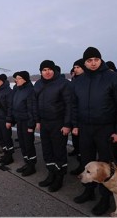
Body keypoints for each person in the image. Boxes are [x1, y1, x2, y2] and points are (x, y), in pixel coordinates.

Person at [71, 47, 117, 216]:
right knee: (87, 160)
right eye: (89, 60)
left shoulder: (113, 78)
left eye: (95, 59)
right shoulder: (79, 81)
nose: (92, 63)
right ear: (84, 62)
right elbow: (74, 106)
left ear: (100, 60)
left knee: (105, 166)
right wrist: (75, 124)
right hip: (85, 128)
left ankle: (105, 198)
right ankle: (88, 191)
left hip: (106, 128)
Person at [34, 60, 72, 192]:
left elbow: (69, 105)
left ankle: (59, 177)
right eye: (44, 70)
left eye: (49, 69)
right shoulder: (38, 84)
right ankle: (51, 173)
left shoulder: (63, 83)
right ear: (41, 72)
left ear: (54, 70)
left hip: (58, 123)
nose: (47, 72)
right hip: (44, 123)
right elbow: (36, 104)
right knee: (47, 150)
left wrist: (67, 124)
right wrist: (37, 121)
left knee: (59, 151)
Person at [12, 71, 37, 176]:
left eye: (18, 78)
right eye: (16, 78)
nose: (16, 80)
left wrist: (31, 125)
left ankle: (32, 166)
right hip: (20, 121)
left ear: (25, 79)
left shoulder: (30, 91)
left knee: (28, 145)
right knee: (22, 144)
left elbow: (32, 109)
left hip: (27, 122)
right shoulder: (18, 90)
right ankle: (27, 163)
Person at [0, 74, 14, 165]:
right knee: (0, 138)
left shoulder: (8, 91)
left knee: (7, 138)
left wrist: (9, 120)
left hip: (4, 119)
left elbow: (10, 107)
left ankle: (9, 156)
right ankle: (5, 153)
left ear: (3, 82)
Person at [69, 59, 85, 176]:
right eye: (74, 67)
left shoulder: (86, 81)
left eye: (78, 67)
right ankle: (82, 165)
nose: (75, 69)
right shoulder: (74, 82)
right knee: (80, 144)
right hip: (76, 118)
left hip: (87, 119)